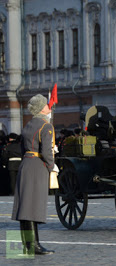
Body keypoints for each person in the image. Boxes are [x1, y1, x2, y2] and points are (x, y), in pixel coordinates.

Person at [11, 94, 57, 255]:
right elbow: (46, 151)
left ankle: (27, 245)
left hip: (26, 163)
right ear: (41, 109)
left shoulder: (29, 124)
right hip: (37, 166)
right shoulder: (46, 126)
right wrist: (52, 167)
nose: (48, 106)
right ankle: (34, 246)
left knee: (24, 207)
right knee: (32, 207)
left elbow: (24, 148)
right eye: (46, 104)